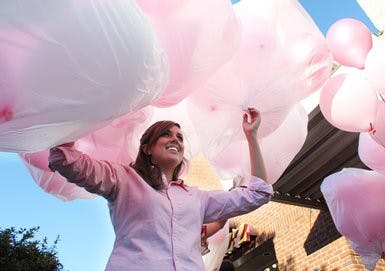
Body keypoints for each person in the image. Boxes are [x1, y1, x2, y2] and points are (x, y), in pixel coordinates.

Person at [48, 108, 273, 271]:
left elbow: (258, 194)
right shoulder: (123, 179)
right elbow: (64, 159)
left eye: (180, 137)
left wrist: (251, 136)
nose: (175, 139)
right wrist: (91, 106)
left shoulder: (197, 198)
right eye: (166, 134)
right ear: (147, 148)